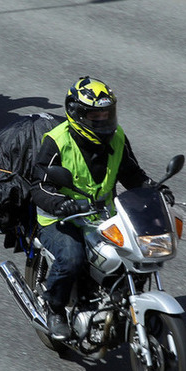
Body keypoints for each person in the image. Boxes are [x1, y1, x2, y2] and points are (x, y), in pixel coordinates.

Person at [30, 77, 174, 339]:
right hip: (61, 219)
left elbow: (131, 173)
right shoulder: (58, 141)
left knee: (135, 253)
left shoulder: (117, 137)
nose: (103, 121)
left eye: (107, 114)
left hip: (103, 216)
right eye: (95, 115)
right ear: (76, 114)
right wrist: (62, 204)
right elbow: (38, 186)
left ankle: (123, 302)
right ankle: (56, 308)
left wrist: (154, 188)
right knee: (73, 258)